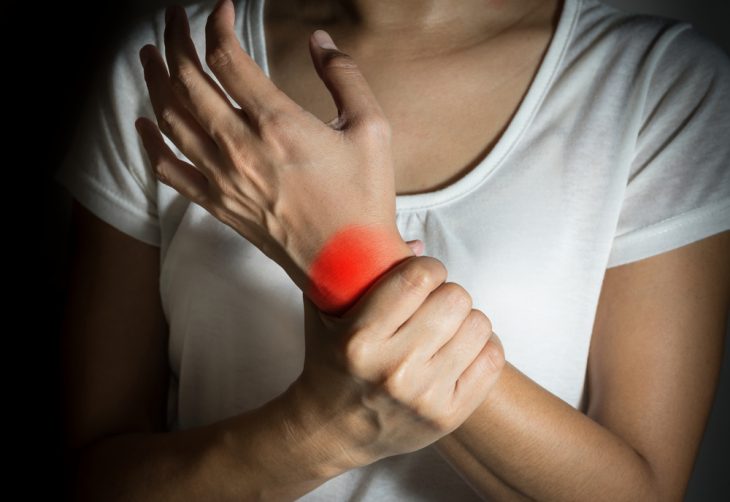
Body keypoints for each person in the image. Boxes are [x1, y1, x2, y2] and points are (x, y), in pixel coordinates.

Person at [55, 0, 730, 499]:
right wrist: (325, 429)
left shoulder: (661, 84)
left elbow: (642, 492)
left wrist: (347, 263)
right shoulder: (169, 69)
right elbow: (91, 478)